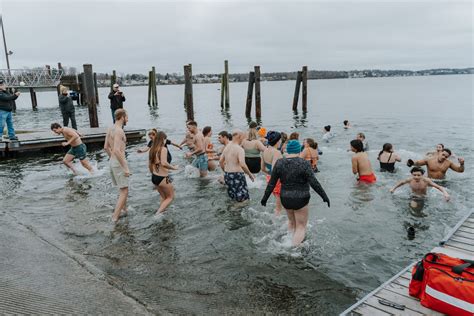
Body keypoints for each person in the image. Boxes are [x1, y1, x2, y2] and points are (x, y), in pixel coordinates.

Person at [261, 140, 330, 246]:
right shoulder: (304, 163)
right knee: (301, 227)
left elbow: (272, 183)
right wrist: (324, 196)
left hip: (285, 198)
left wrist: (265, 198)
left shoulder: (280, 163)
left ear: (288, 150)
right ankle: (292, 249)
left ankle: (287, 241)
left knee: (292, 223)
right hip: (301, 198)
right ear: (299, 150)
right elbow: (314, 183)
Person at [104, 109, 130, 223]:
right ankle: (115, 217)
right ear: (122, 117)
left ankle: (124, 210)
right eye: (127, 116)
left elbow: (106, 147)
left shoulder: (110, 128)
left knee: (122, 188)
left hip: (112, 162)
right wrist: (125, 167)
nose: (128, 119)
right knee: (124, 190)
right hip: (119, 162)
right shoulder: (119, 131)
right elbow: (116, 150)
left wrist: (113, 160)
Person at [220, 129, 255, 202]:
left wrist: (226, 172)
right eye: (244, 137)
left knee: (233, 198)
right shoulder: (239, 149)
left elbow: (220, 161)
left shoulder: (227, 147)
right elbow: (242, 164)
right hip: (237, 176)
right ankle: (234, 211)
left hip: (227, 175)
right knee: (242, 200)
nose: (244, 139)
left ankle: (232, 212)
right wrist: (250, 174)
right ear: (240, 136)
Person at [149, 131, 178, 215]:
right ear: (162, 139)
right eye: (165, 139)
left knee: (164, 197)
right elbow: (164, 163)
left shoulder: (152, 149)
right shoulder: (163, 149)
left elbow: (150, 164)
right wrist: (174, 168)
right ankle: (157, 214)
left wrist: (153, 175)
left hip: (154, 177)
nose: (166, 141)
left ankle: (162, 211)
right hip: (162, 177)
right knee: (170, 197)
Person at [261, 131, 283, 215]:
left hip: (269, 178)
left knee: (278, 200)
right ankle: (277, 221)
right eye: (280, 139)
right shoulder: (276, 152)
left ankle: (277, 215)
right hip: (277, 180)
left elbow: (262, 168)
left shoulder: (264, 151)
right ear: (277, 141)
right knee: (279, 205)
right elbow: (275, 169)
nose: (281, 141)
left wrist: (269, 173)